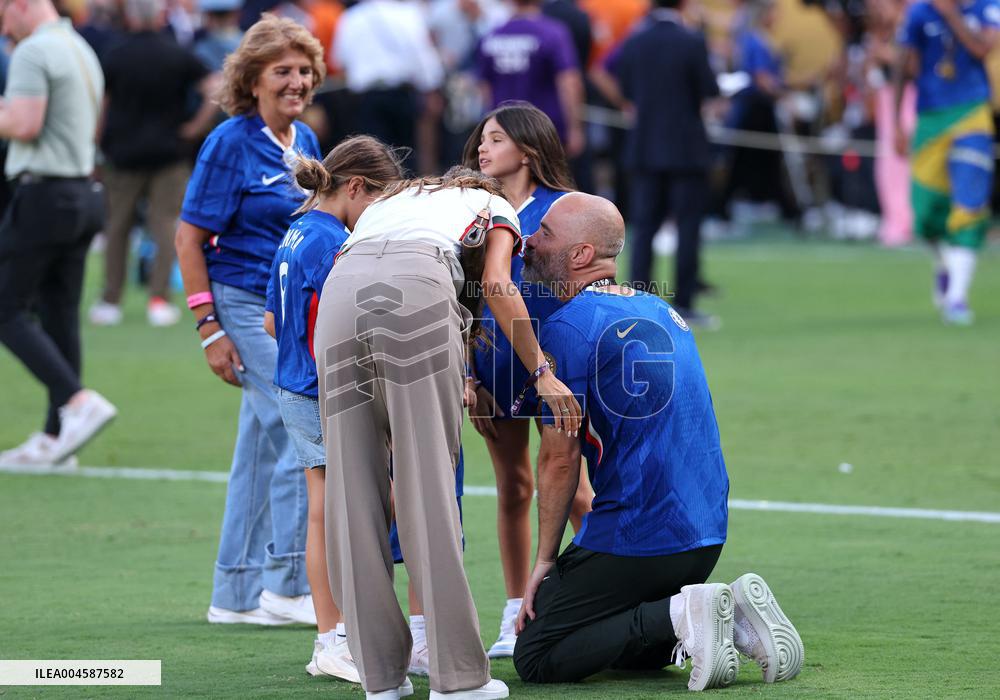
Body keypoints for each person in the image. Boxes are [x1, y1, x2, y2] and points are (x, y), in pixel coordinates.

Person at [509, 192, 804, 690]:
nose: (529, 242)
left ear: (580, 256)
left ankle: (684, 613)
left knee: (537, 655)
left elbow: (560, 461)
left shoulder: (564, 329)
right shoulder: (660, 308)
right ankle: (724, 617)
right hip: (705, 535)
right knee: (626, 653)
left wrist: (544, 561)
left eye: (545, 234)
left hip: (640, 538)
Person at [314, 167, 582, 699]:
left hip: (338, 296)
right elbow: (497, 283)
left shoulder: (395, 200)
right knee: (426, 486)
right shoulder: (493, 206)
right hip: (417, 291)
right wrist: (542, 372)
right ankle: (458, 679)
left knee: (351, 491)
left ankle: (380, 680)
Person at [174, 13, 324, 625]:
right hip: (240, 305)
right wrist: (209, 329)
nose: (297, 81)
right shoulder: (228, 142)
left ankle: (233, 595)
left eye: (305, 70)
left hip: (286, 311)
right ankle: (288, 584)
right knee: (300, 436)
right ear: (253, 80)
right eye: (282, 71)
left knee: (261, 449)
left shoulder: (306, 141)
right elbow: (189, 238)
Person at [264, 135, 404, 682]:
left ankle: (334, 633)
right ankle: (335, 636)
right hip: (324, 389)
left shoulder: (298, 231)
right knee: (342, 508)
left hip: (293, 382)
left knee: (328, 506)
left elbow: (274, 322)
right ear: (354, 187)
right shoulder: (332, 242)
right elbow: (340, 324)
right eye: (377, 202)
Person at [461, 101, 589, 659]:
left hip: (557, 365)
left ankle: (591, 601)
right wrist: (467, 372)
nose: (482, 150)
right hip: (494, 363)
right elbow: (463, 295)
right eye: (481, 141)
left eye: (494, 139)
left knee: (578, 493)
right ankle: (515, 610)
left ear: (528, 149)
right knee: (513, 487)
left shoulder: (564, 209)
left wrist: (555, 368)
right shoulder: (472, 210)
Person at [0, 0, 118, 467]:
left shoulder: (34, 52)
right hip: (83, 193)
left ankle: (75, 400)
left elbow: (25, 125)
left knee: (6, 307)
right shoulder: (80, 46)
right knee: (59, 314)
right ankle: (56, 438)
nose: (4, 24)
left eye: (4, 13)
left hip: (45, 194)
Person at [88, 0, 219, 329]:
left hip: (122, 154)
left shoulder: (115, 54)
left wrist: (95, 146)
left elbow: (101, 105)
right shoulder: (176, 53)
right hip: (169, 153)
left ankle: (110, 301)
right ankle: (159, 300)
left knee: (117, 227)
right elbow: (214, 88)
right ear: (161, 16)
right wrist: (194, 128)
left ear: (130, 17)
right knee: (165, 227)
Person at [609, 0, 720, 327]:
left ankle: (638, 297)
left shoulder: (636, 40)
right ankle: (684, 302)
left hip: (645, 145)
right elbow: (709, 89)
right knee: (688, 226)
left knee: (644, 227)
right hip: (686, 146)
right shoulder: (692, 40)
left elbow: (620, 83)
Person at [894, 0, 999, 325]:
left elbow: (983, 49)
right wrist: (898, 120)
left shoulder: (987, 7)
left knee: (969, 201)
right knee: (924, 214)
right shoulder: (918, 12)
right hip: (930, 118)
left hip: (972, 113)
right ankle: (944, 264)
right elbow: (903, 64)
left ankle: (957, 297)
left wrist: (951, 14)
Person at [331, 0, 444, 170]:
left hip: (366, 98)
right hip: (401, 94)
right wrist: (431, 88)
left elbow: (339, 60)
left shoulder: (350, 17)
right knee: (405, 157)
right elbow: (422, 54)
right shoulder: (407, 13)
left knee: (373, 159)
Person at [476, 0, 585, 159]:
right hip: (545, 130)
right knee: (548, 180)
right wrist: (575, 129)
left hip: (503, 129)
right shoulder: (553, 33)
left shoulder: (491, 36)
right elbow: (569, 82)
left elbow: (484, 88)